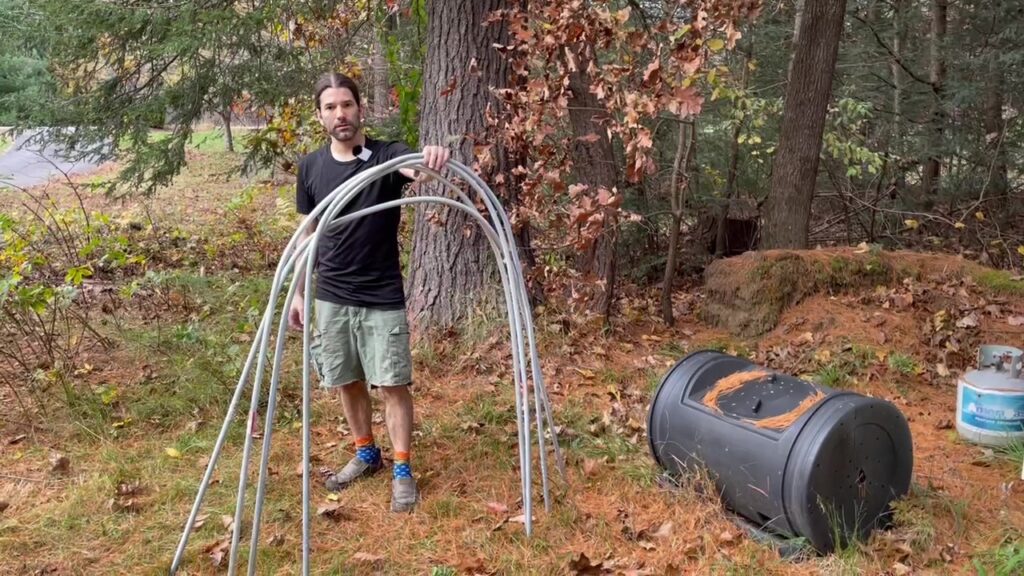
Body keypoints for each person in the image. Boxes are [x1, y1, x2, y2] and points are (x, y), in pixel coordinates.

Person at [288, 72, 449, 513]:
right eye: (330, 107)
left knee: (392, 382)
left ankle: (401, 468)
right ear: (321, 115)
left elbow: (414, 168)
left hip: (380, 292)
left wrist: (430, 159)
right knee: (347, 378)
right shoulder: (312, 166)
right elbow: (308, 233)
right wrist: (300, 292)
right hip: (332, 292)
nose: (340, 114)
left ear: (360, 109)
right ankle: (365, 452)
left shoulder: (385, 155)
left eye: (347, 105)